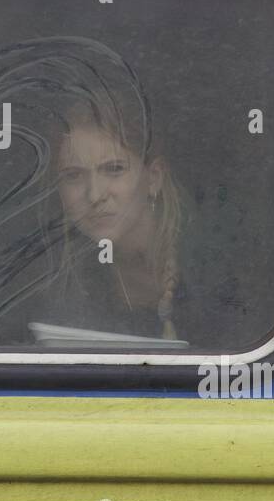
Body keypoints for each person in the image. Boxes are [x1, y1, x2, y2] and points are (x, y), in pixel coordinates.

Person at [35, 98, 185, 341]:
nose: (95, 195)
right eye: (73, 175)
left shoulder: (208, 272)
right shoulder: (62, 286)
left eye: (114, 169)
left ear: (154, 177)